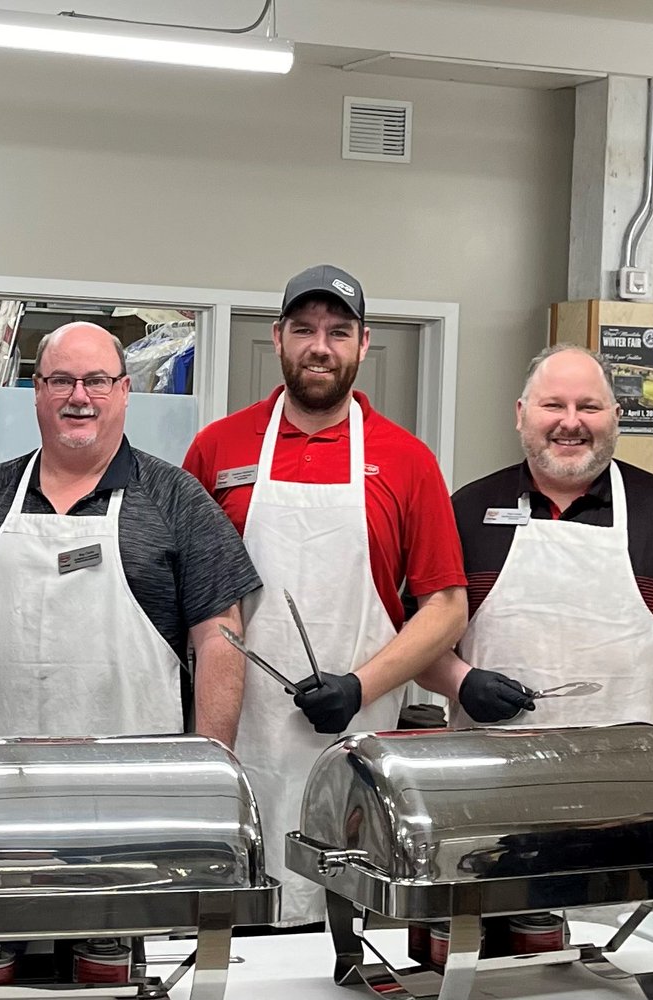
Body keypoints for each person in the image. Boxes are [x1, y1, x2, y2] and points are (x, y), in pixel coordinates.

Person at [182, 264, 468, 928]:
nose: (321, 346)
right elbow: (182, 595)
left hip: (359, 741)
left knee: (348, 926)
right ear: (278, 338)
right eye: (305, 329)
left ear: (363, 344)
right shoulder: (216, 447)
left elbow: (446, 607)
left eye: (339, 331)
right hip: (237, 736)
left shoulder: (407, 460)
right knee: (242, 925)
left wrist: (359, 686)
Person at [0, 322, 260, 745]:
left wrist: (210, 771)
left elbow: (220, 639)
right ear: (37, 390)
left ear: (125, 390)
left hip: (134, 788)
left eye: (97, 381)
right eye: (61, 381)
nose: (79, 397)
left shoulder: (178, 500)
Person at [419, 344, 653, 729]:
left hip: (640, 775)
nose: (571, 423)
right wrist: (460, 681)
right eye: (553, 405)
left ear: (617, 417)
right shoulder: (468, 510)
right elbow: (414, 638)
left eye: (589, 407)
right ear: (521, 415)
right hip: (494, 776)